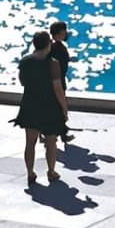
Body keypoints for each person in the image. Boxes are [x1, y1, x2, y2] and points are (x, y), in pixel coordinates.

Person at [14, 30, 65, 185]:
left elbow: (22, 82)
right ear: (48, 44)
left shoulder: (25, 61)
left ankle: (30, 172)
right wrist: (64, 107)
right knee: (51, 141)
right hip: (48, 105)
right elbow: (58, 88)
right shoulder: (53, 63)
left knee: (30, 142)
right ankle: (51, 171)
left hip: (30, 102)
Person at [49, 21, 76, 140]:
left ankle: (58, 131)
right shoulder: (55, 46)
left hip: (59, 79)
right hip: (56, 80)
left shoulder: (56, 46)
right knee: (58, 105)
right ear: (59, 33)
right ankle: (62, 132)